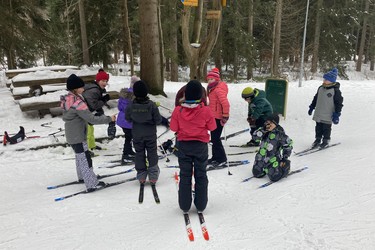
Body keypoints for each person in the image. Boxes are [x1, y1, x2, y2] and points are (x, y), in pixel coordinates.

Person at [60, 74, 116, 191]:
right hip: (78, 135)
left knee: (80, 157)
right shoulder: (77, 103)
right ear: (75, 89)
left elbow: (84, 115)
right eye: (81, 87)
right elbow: (91, 119)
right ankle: (91, 183)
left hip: (74, 134)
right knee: (85, 158)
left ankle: (83, 177)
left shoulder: (69, 99)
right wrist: (108, 119)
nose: (84, 88)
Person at [170, 80, 216, 213]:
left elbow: (173, 127)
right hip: (200, 146)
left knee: (185, 175)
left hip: (184, 145)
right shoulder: (206, 111)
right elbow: (212, 127)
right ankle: (201, 205)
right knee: (201, 174)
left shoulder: (178, 110)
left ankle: (184, 205)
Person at [125, 80, 162, 184]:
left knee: (139, 153)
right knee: (152, 153)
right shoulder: (152, 105)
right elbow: (158, 120)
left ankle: (141, 175)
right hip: (150, 134)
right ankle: (153, 175)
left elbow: (127, 118)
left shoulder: (131, 105)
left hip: (137, 133)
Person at [308, 68, 344, 149]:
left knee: (326, 128)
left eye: (326, 80)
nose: (324, 81)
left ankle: (326, 140)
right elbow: (316, 98)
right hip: (319, 113)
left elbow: (339, 104)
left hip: (328, 114)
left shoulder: (335, 91)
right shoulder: (321, 88)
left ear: (332, 81)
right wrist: (311, 107)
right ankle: (317, 140)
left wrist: (337, 114)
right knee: (318, 127)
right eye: (324, 79)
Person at [251, 113, 293, 182]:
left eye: (271, 123)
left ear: (275, 124)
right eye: (267, 122)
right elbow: (255, 138)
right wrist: (262, 131)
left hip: (272, 159)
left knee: (275, 177)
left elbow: (288, 145)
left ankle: (286, 167)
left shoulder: (280, 134)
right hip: (260, 158)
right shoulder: (263, 130)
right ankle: (263, 169)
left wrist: (285, 158)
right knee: (256, 173)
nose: (268, 125)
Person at [206, 68, 230, 168]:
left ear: (217, 79)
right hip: (213, 116)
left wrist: (225, 116)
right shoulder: (212, 88)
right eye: (208, 79)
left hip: (218, 117)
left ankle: (222, 158)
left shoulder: (218, 89)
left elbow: (225, 103)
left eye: (212, 79)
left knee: (216, 138)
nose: (210, 81)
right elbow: (213, 103)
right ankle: (215, 157)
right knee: (214, 138)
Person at [82, 68, 111, 151]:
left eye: (106, 81)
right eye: (103, 81)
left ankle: (91, 145)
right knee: (88, 131)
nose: (105, 83)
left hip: (89, 111)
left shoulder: (98, 89)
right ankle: (86, 150)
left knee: (91, 129)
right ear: (98, 80)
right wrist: (104, 100)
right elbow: (94, 105)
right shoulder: (94, 90)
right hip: (85, 111)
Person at [116, 76, 139, 165]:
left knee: (129, 137)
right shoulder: (134, 97)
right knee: (129, 138)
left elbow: (119, 107)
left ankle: (129, 151)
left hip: (122, 120)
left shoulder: (124, 95)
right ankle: (125, 155)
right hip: (128, 121)